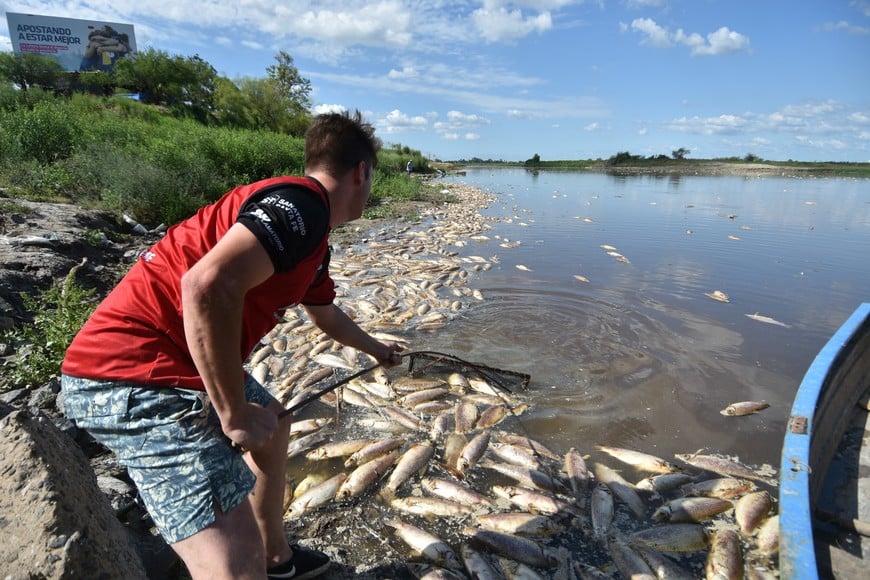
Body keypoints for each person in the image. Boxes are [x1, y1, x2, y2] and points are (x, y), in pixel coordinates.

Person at [60, 111, 403, 579]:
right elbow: (205, 285)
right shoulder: (302, 205)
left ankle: (275, 555)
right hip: (130, 373)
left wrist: (376, 349)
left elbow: (324, 314)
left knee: (276, 424)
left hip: (176, 362)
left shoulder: (311, 240)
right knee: (232, 561)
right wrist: (232, 411)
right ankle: (250, 557)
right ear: (361, 172)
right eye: (371, 177)